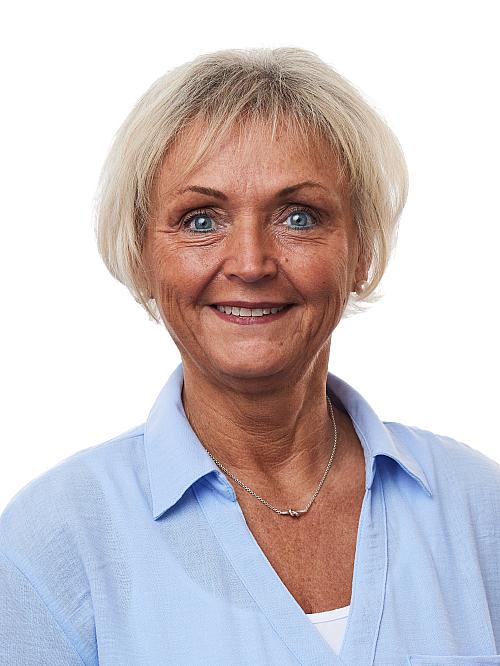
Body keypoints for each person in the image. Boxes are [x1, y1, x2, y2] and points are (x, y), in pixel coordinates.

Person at [1, 47, 499, 666]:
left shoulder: (479, 507)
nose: (250, 263)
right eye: (201, 220)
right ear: (140, 255)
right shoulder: (52, 543)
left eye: (299, 217)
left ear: (363, 249)